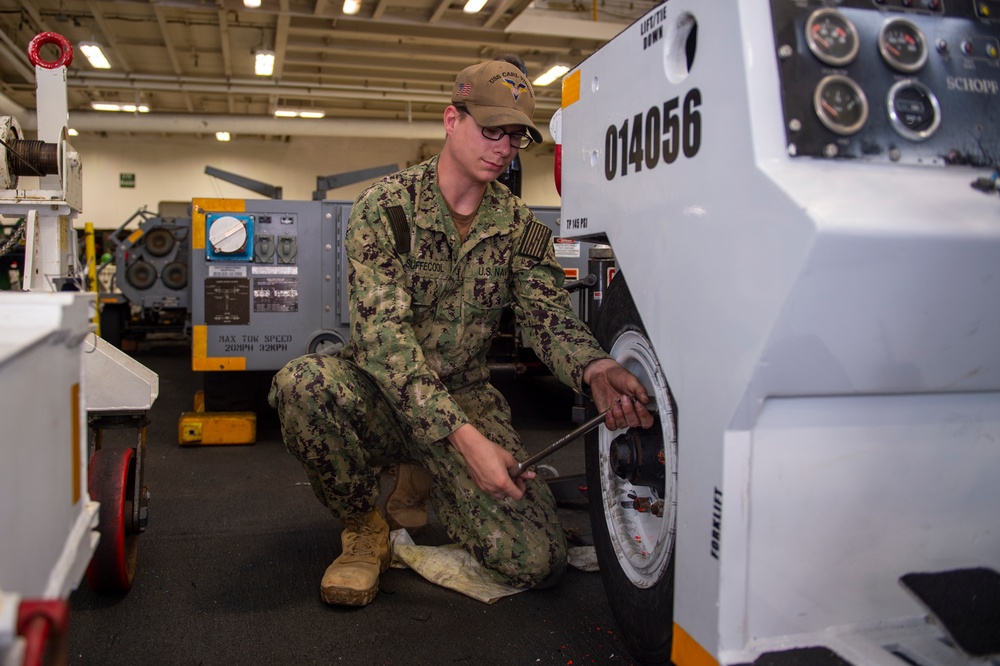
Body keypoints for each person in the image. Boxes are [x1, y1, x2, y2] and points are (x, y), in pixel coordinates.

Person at [268, 56, 654, 607]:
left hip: (465, 395)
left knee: (538, 562)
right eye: (491, 129)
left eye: (516, 136)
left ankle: (428, 475)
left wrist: (595, 367)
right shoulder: (385, 208)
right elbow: (385, 343)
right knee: (301, 387)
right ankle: (364, 530)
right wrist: (464, 443)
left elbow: (546, 317)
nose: (502, 146)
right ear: (452, 120)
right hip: (380, 392)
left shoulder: (520, 227)